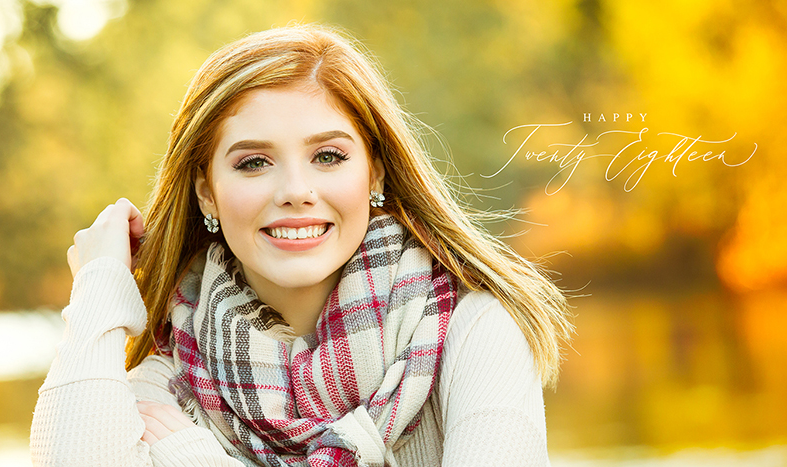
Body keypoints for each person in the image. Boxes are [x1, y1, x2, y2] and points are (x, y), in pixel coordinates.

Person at [30, 24, 573, 467]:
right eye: (253, 162)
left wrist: (194, 458)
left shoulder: (476, 332)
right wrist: (100, 284)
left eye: (329, 156)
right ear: (207, 193)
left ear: (375, 172)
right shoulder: (169, 386)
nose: (295, 191)